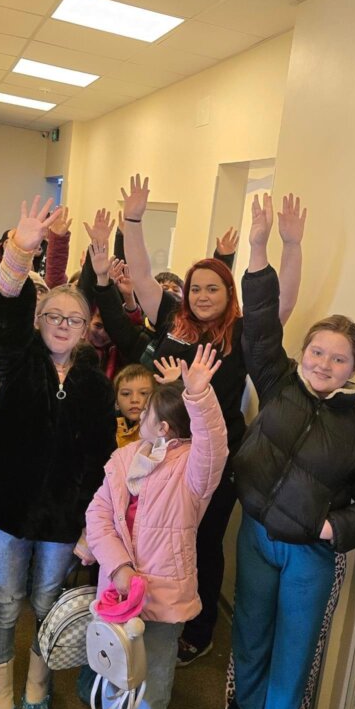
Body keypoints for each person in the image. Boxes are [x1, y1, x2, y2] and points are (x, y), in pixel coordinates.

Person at [195, 193, 355, 709]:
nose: (324, 363)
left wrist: (335, 527)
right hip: (257, 537)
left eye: (338, 358)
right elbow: (258, 322)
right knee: (249, 638)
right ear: (304, 354)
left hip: (312, 554)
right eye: (318, 352)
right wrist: (263, 248)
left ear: (352, 369)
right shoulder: (278, 381)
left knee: (296, 654)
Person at [121, 175, 306, 665]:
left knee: (202, 541)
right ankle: (149, 611)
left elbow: (283, 302)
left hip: (214, 457)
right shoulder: (172, 318)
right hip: (160, 450)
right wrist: (133, 222)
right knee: (153, 532)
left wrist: (288, 246)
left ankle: (198, 630)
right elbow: (141, 276)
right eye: (195, 288)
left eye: (213, 288)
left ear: (229, 292)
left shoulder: (243, 331)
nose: (202, 295)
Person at [0, 196, 116, 709]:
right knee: (5, 603)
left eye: (73, 319)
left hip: (61, 519)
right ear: (39, 319)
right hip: (9, 508)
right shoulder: (18, 358)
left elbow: (101, 462)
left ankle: (36, 688)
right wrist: (19, 253)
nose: (63, 325)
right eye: (53, 316)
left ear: (85, 328)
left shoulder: (95, 385)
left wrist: (90, 530)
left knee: (48, 603)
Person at [85, 344, 228, 709]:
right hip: (118, 592)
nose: (138, 412)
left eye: (146, 409)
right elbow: (98, 515)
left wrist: (198, 394)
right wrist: (119, 567)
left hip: (164, 596)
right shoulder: (124, 459)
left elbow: (214, 446)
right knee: (114, 669)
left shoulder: (192, 469)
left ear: (162, 426)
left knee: (156, 675)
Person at [114, 363, 155, 447]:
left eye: (143, 393)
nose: (134, 400)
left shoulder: (160, 431)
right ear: (116, 402)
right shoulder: (105, 429)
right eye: (126, 394)